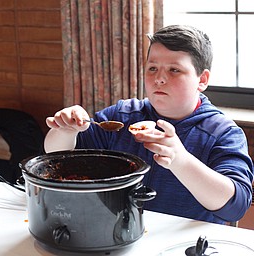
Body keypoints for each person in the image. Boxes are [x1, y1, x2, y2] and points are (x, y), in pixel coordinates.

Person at [44, 25, 254, 224]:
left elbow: (235, 207)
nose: (159, 79)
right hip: (115, 232)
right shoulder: (122, 115)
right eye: (152, 68)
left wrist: (180, 160)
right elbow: (60, 155)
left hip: (184, 244)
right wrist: (65, 129)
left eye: (174, 70)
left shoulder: (223, 133)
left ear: (202, 79)